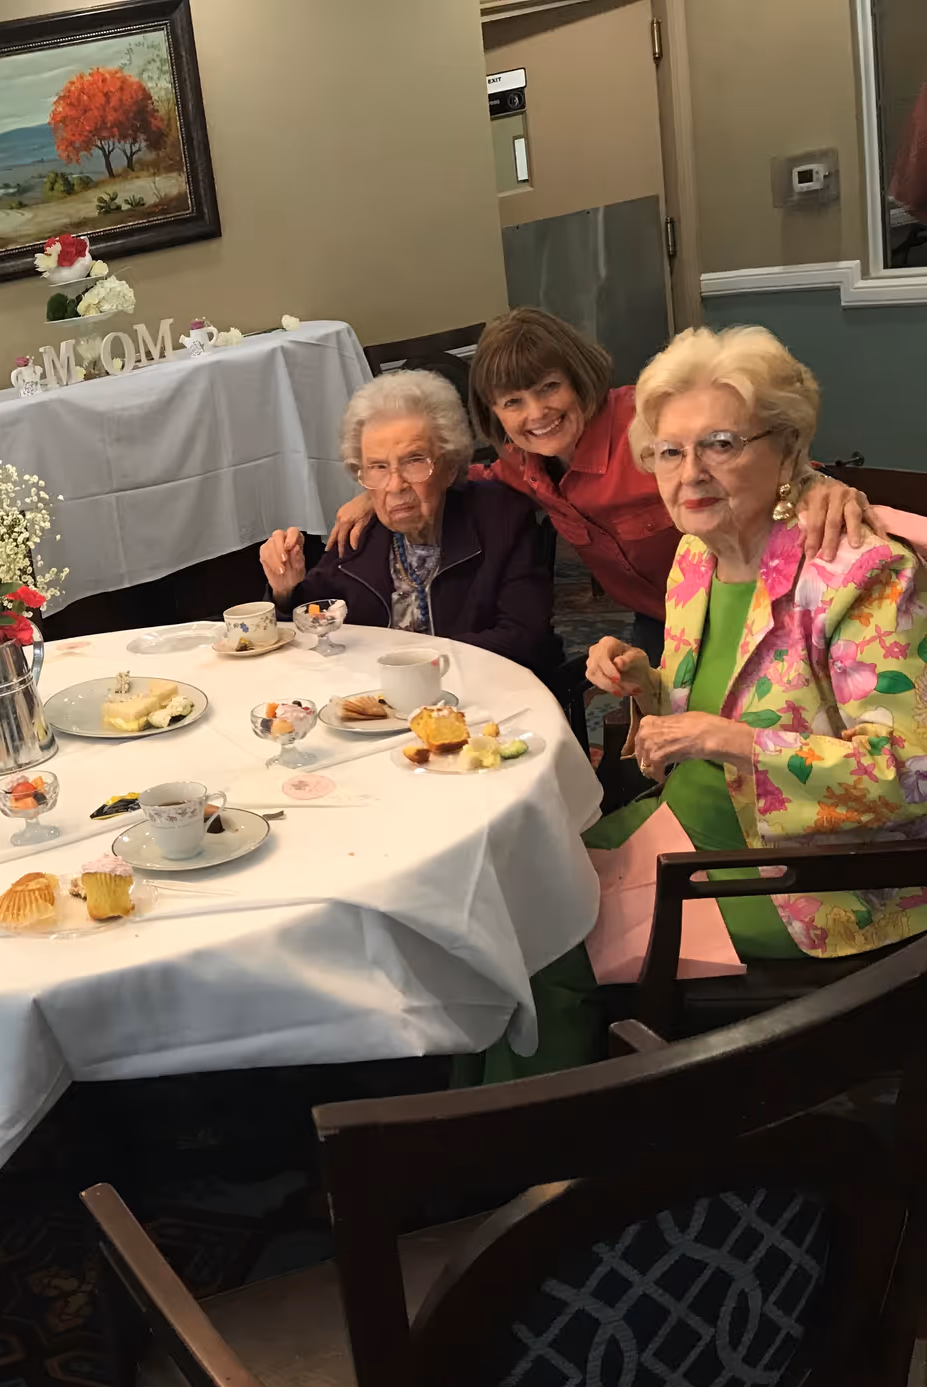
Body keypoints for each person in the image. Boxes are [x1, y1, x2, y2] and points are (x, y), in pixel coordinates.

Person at [489, 325, 927, 1082]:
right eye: (668, 450)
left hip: (804, 877)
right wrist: (645, 682)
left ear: (786, 447)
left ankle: (529, 1165)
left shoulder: (862, 575)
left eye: (721, 444)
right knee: (500, 903)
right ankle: (461, 1136)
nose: (689, 473)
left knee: (543, 949)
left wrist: (728, 742)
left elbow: (908, 774)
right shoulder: (697, 555)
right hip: (688, 823)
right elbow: (724, 698)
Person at [296, 308, 878, 660]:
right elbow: (446, 471)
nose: (536, 414)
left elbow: (750, 452)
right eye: (512, 402)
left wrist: (816, 484)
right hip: (662, 615)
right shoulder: (522, 468)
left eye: (549, 388)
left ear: (578, 377)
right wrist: (374, 493)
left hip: (757, 597)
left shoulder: (646, 425)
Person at [258, 368, 562, 678]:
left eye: (414, 460)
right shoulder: (357, 534)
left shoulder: (501, 518)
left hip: (478, 702)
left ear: (449, 465)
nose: (395, 485)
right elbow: (311, 633)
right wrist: (286, 590)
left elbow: (526, 640)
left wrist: (410, 665)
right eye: (377, 467)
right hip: (373, 711)